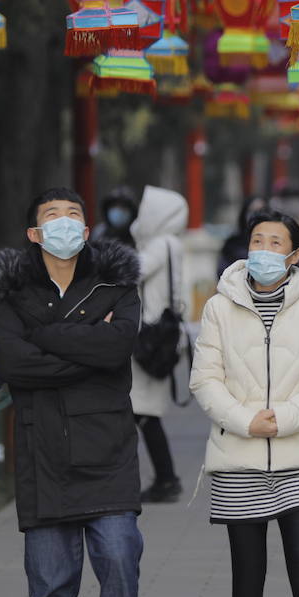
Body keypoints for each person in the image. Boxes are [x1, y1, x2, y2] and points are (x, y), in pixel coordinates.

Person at [0, 188, 143, 597]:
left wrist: (45, 337)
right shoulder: (9, 291)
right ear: (35, 233)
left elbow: (116, 349)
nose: (64, 222)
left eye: (73, 214)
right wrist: (91, 345)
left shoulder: (116, 284)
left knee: (121, 567)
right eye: (53, 215)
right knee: (51, 589)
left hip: (109, 450)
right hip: (43, 453)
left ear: (87, 230)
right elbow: (14, 366)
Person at [190, 210, 299, 597]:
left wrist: (287, 418)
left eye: (275, 243)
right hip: (237, 457)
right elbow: (205, 380)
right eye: (257, 241)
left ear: (294, 255)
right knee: (247, 572)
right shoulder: (218, 308)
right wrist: (246, 421)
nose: (263, 250)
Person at [129, 185, 189, 503]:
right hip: (160, 338)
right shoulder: (173, 244)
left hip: (147, 338)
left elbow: (133, 272)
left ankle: (166, 479)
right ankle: (166, 478)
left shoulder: (159, 244)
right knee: (145, 412)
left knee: (142, 412)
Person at [219, 195, 269, 274]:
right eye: (253, 211)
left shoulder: (278, 243)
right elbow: (222, 272)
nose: (257, 216)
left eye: (261, 211)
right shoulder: (233, 244)